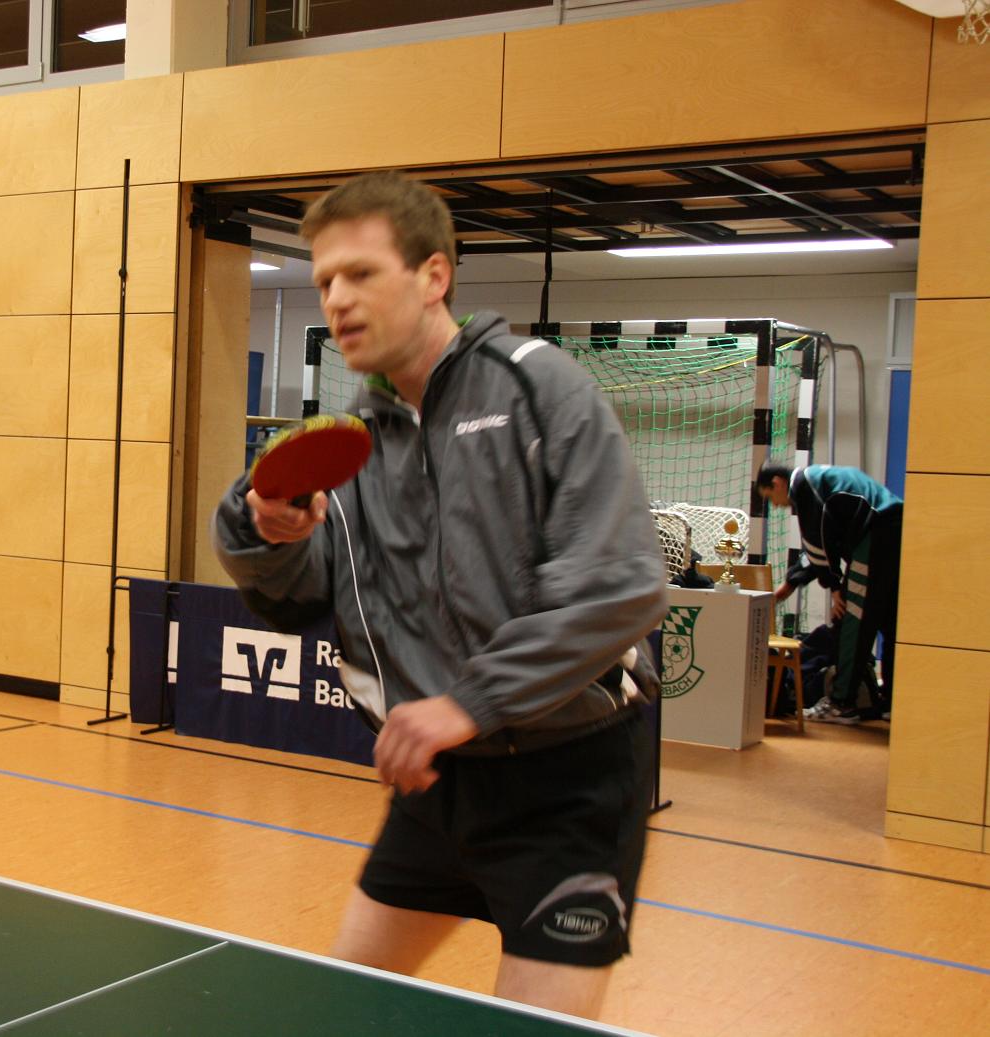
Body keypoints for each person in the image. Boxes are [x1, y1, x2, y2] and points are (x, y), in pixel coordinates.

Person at [211, 172, 668, 1019]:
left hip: (567, 783)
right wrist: (266, 536)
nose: (336, 299)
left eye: (360, 273)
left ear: (433, 276)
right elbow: (303, 599)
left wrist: (468, 702)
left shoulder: (538, 387)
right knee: (340, 1007)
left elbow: (619, 583)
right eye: (325, 280)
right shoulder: (355, 440)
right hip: (437, 785)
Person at [756, 463, 902, 724]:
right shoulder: (819, 479)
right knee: (891, 623)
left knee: (851, 620)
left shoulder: (805, 487)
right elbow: (818, 551)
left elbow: (817, 546)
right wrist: (789, 586)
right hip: (895, 529)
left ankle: (841, 704)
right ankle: (892, 702)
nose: (775, 505)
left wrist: (835, 588)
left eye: (770, 497)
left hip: (877, 532)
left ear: (777, 483)